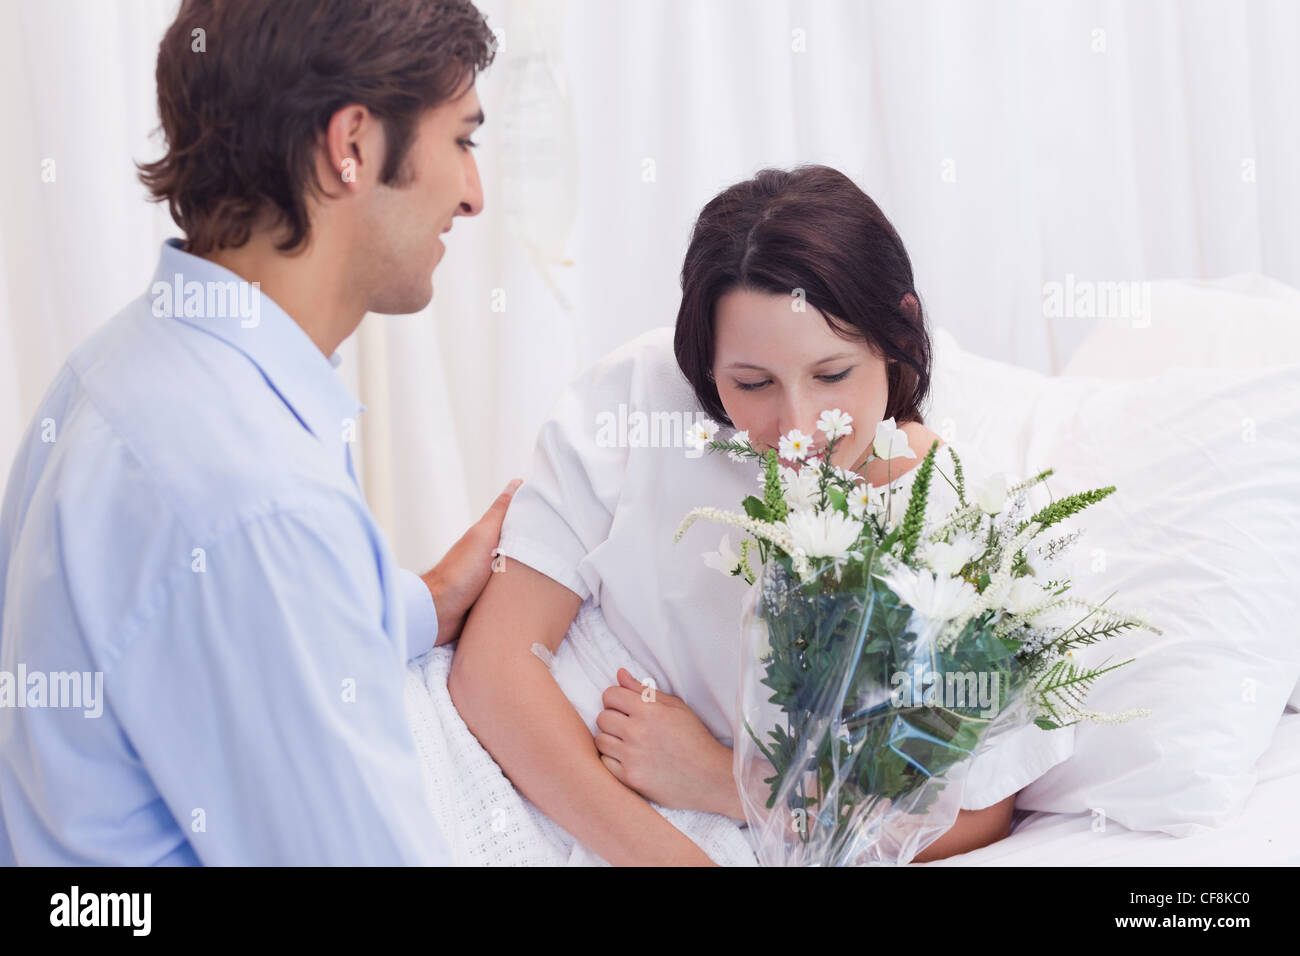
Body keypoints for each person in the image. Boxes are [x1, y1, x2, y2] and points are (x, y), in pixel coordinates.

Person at [0, 0, 507, 864]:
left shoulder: (123, 364)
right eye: (462, 140)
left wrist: (421, 601)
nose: (473, 195)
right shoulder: (256, 501)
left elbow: (202, 654)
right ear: (351, 146)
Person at [448, 165, 1074, 865]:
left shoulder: (961, 528)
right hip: (485, 763)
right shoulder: (641, 397)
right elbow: (494, 671)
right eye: (751, 383)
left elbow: (972, 820)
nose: (797, 426)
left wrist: (730, 781)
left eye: (832, 376)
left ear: (896, 332)